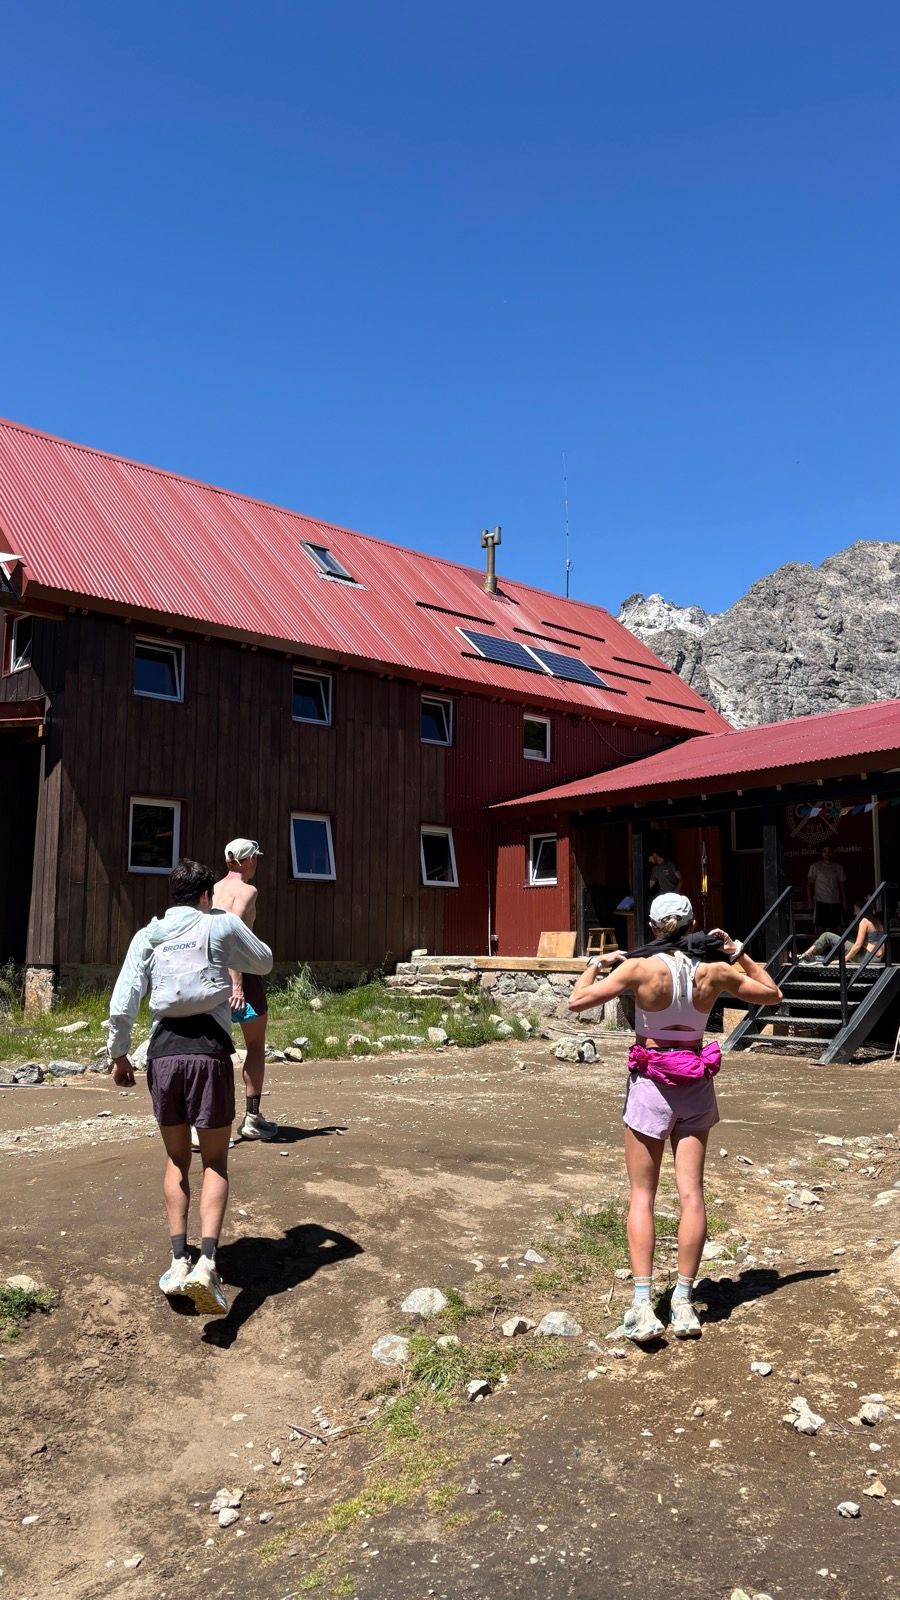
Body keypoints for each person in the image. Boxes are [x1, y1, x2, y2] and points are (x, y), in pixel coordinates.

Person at [568, 892, 782, 1344]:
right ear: (691, 924)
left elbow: (577, 1002)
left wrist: (597, 963)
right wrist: (738, 952)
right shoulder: (715, 970)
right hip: (695, 1082)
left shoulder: (640, 968)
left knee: (642, 1195)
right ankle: (683, 1301)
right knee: (691, 1194)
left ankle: (643, 1304)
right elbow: (771, 993)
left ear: (651, 926)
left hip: (652, 1084)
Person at [107, 857, 273, 1315]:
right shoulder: (218, 924)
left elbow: (123, 1001)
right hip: (208, 1051)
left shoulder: (149, 934)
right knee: (215, 1160)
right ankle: (208, 1263)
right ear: (205, 895)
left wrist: (119, 1055)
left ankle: (179, 1259)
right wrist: (226, 928)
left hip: (163, 1054)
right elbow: (263, 961)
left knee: (177, 1159)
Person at [211, 837, 278, 1142]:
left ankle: (208, 1121)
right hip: (242, 975)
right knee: (254, 1045)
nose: (257, 862)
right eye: (255, 857)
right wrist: (236, 984)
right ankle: (251, 1118)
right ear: (247, 860)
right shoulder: (248, 891)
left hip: (211, 973)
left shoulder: (213, 889)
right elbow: (233, 935)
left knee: (212, 1047)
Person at [800, 902, 885, 965]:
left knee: (827, 935)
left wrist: (844, 960)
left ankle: (805, 956)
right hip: (877, 958)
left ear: (862, 910)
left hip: (866, 958)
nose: (854, 913)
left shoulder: (864, 921)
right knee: (850, 939)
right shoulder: (877, 922)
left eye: (856, 910)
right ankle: (829, 957)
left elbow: (858, 945)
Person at [807, 845, 847, 934]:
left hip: (835, 901)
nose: (827, 854)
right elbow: (809, 885)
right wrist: (810, 901)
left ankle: (833, 944)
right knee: (820, 928)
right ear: (822, 853)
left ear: (833, 853)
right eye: (825, 851)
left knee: (834, 928)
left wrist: (844, 902)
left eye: (829, 851)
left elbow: (842, 886)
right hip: (820, 901)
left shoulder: (838, 867)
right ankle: (820, 944)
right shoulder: (815, 866)